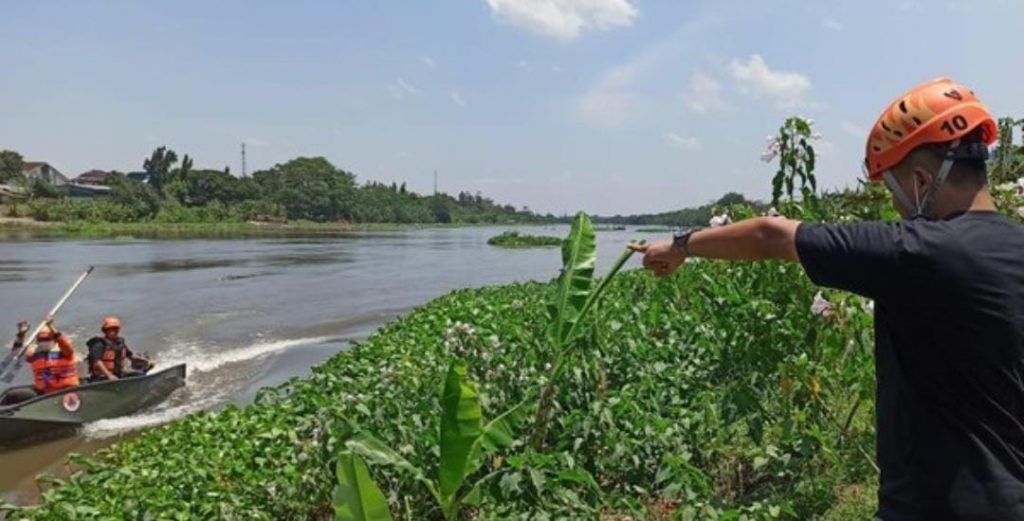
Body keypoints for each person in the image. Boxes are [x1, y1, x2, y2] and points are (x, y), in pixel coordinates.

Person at [633, 77, 1024, 520]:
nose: (896, 208)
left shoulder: (920, 252)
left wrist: (680, 246)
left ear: (920, 179)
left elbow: (770, 235)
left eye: (893, 191)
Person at [0, 318, 80, 406]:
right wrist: (21, 335)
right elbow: (17, 352)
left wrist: (51, 326)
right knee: (11, 395)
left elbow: (64, 343)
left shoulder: (66, 353)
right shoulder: (35, 356)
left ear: (54, 340)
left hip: (65, 392)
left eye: (47, 339)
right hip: (44, 394)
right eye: (41, 340)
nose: (44, 342)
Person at [86, 316, 150, 382]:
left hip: (118, 375)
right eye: (111, 329)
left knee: (139, 374)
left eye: (116, 329)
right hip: (101, 378)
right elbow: (97, 362)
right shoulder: (99, 344)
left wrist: (143, 361)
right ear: (105, 331)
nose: (114, 331)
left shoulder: (120, 343)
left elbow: (130, 356)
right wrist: (109, 375)